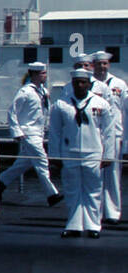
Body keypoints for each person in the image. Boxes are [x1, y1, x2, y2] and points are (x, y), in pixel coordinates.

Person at [48, 68, 115, 238]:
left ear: (89, 84)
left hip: (93, 153)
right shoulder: (62, 104)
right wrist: (55, 155)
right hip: (70, 153)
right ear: (72, 83)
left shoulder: (100, 104)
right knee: (72, 190)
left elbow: (109, 132)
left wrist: (108, 155)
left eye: (83, 82)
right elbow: (54, 131)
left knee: (93, 191)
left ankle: (93, 226)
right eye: (76, 82)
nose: (79, 85)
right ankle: (74, 225)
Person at [0, 61, 63, 207]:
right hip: (28, 133)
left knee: (23, 164)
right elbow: (12, 111)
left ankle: (0, 182)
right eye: (42, 73)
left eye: (45, 73)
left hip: (39, 133)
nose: (45, 76)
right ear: (34, 74)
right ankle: (52, 194)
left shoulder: (43, 92)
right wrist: (16, 131)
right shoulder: (25, 92)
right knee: (42, 162)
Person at [91, 51, 126, 225]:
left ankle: (112, 213)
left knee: (113, 174)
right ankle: (95, 212)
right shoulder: (88, 84)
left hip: (115, 135)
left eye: (105, 63)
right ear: (93, 65)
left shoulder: (120, 84)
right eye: (99, 64)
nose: (102, 67)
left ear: (109, 65)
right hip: (94, 135)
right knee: (94, 175)